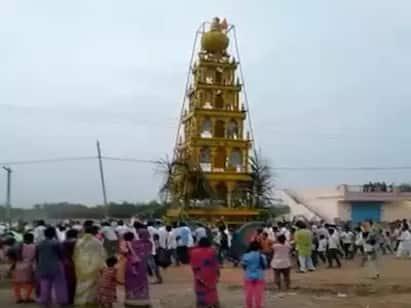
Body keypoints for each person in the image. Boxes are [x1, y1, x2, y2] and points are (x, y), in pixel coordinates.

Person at [74, 222, 106, 307]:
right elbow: (102, 255)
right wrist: (103, 267)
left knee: (81, 285)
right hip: (93, 268)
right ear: (94, 233)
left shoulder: (79, 241)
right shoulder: (97, 242)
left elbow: (75, 255)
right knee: (92, 288)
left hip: (81, 267)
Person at [36, 226, 68, 307]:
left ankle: (44, 300)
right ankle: (61, 300)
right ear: (54, 234)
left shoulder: (40, 243)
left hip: (43, 265)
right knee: (59, 284)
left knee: (44, 284)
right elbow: (61, 254)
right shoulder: (56, 243)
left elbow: (37, 255)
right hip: (56, 265)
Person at [124, 229, 152, 308]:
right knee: (142, 282)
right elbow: (148, 254)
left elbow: (125, 252)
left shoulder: (131, 243)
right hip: (142, 266)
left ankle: (130, 300)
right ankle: (143, 300)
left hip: (131, 265)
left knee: (131, 282)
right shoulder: (149, 243)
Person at [190, 237, 220, 308]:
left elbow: (193, 266)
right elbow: (216, 264)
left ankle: (202, 305)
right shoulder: (213, 251)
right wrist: (217, 274)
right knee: (212, 291)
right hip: (211, 276)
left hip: (200, 276)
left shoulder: (194, 252)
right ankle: (214, 304)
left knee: (201, 292)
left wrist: (197, 274)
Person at [11, 233, 36, 303]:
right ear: (32, 239)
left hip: (18, 264)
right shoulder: (34, 246)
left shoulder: (19, 245)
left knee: (17, 283)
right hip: (29, 265)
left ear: (24, 238)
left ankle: (18, 298)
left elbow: (12, 252)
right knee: (30, 282)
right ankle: (27, 297)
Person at [241, 241, 267, 308]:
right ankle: (258, 306)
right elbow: (264, 266)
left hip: (248, 276)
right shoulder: (262, 256)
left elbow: (244, 266)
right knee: (258, 294)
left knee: (248, 294)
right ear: (259, 247)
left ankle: (249, 306)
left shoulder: (245, 255)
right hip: (259, 276)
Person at [62, 229, 78, 305]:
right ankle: (72, 299)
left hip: (65, 263)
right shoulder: (77, 242)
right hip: (76, 263)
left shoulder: (63, 242)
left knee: (66, 282)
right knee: (74, 282)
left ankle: (66, 299)